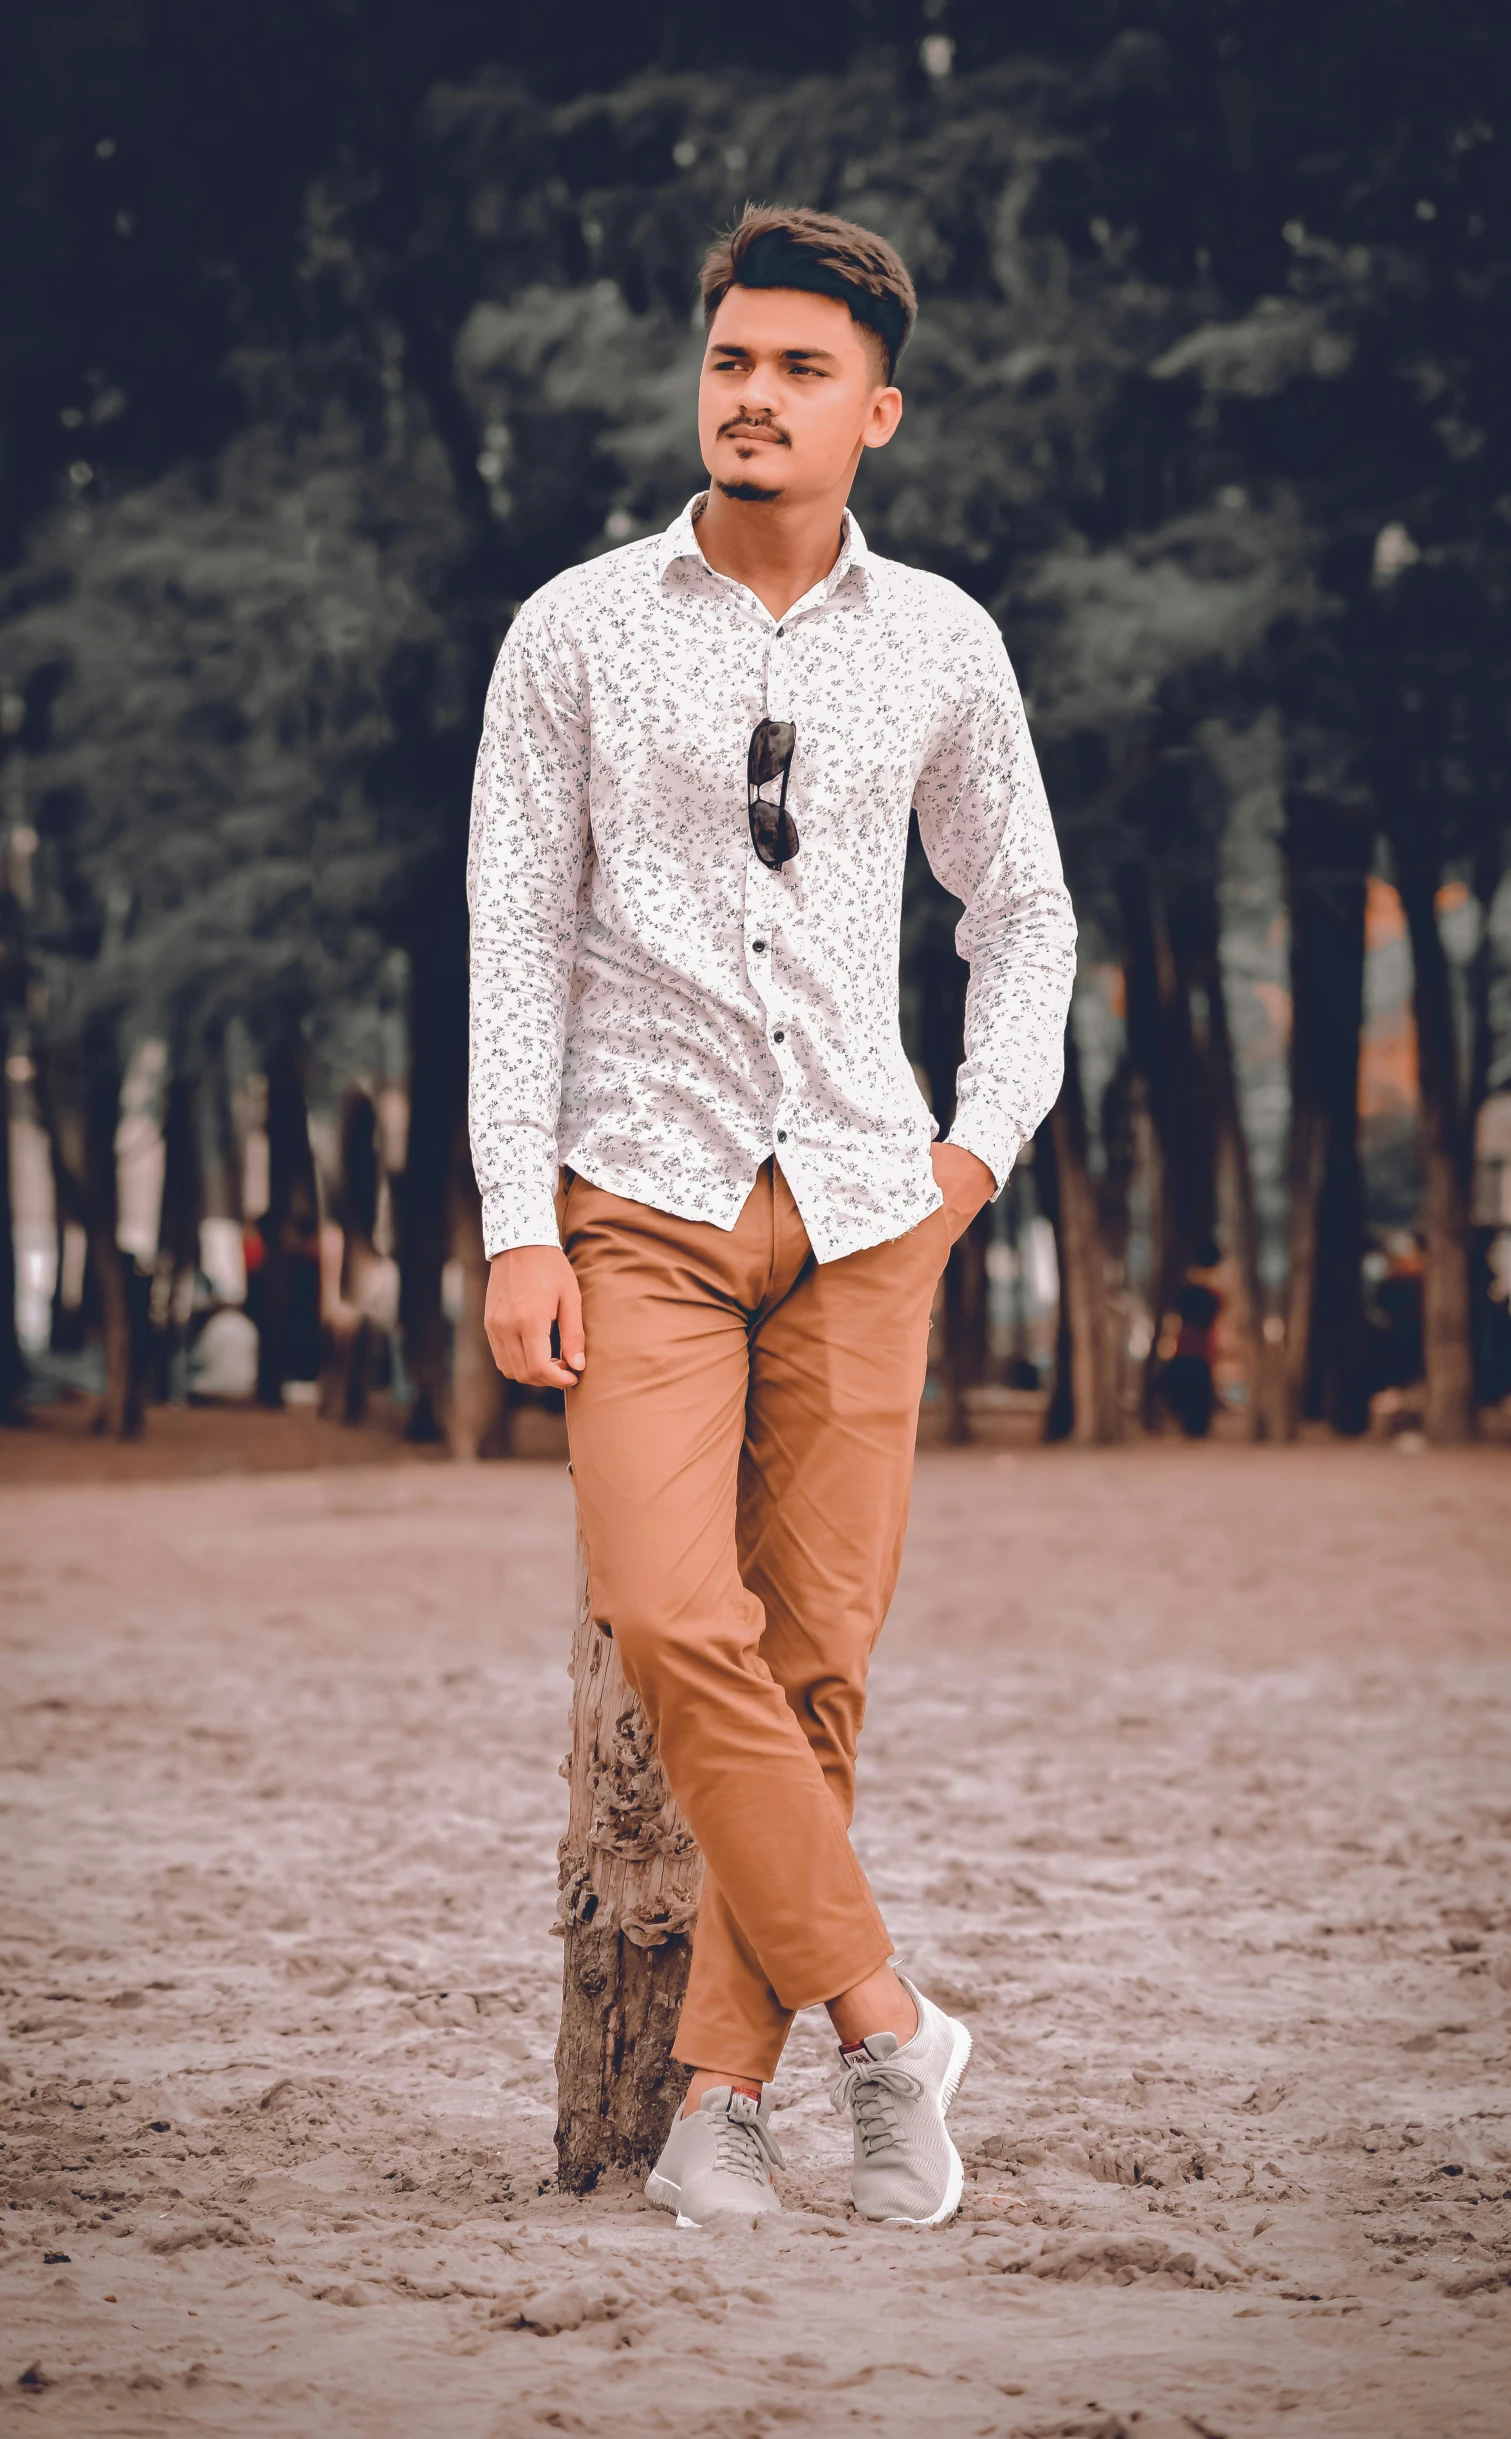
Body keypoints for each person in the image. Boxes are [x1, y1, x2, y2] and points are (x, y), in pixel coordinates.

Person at [468, 205, 1076, 2229]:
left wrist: (970, 1156)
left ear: (873, 411)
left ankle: (726, 2092)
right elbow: (508, 937)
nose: (752, 394)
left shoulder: (941, 643)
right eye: (731, 360)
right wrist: (511, 1221)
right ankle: (888, 2021)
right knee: (670, 1613)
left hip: (857, 1200)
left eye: (799, 370)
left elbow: (1022, 918)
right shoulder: (571, 628)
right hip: (629, 1198)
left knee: (817, 1660)